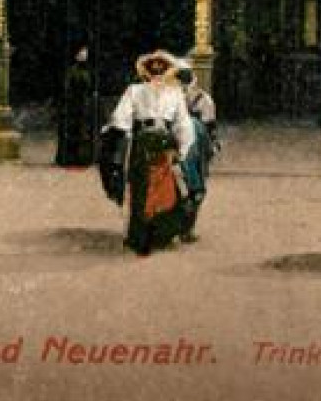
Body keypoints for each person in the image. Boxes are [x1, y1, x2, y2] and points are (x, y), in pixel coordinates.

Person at [102, 52, 196, 256]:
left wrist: (182, 147)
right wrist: (121, 130)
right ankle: (140, 237)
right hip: (142, 142)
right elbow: (122, 116)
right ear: (146, 72)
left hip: (165, 144)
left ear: (167, 72)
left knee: (166, 190)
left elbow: (183, 123)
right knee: (141, 188)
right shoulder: (134, 91)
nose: (157, 76)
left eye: (161, 71)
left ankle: (162, 234)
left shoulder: (175, 93)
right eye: (153, 71)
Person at [176, 58, 218, 244]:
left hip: (187, 151)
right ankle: (185, 228)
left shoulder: (203, 100)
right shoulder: (202, 100)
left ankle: (185, 228)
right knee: (195, 191)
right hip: (183, 153)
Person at [55, 44, 98, 167]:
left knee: (83, 131)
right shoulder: (72, 71)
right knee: (73, 131)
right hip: (74, 105)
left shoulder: (88, 70)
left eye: (85, 52)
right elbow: (67, 88)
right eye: (81, 53)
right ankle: (70, 159)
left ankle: (83, 158)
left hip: (84, 104)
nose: (84, 55)